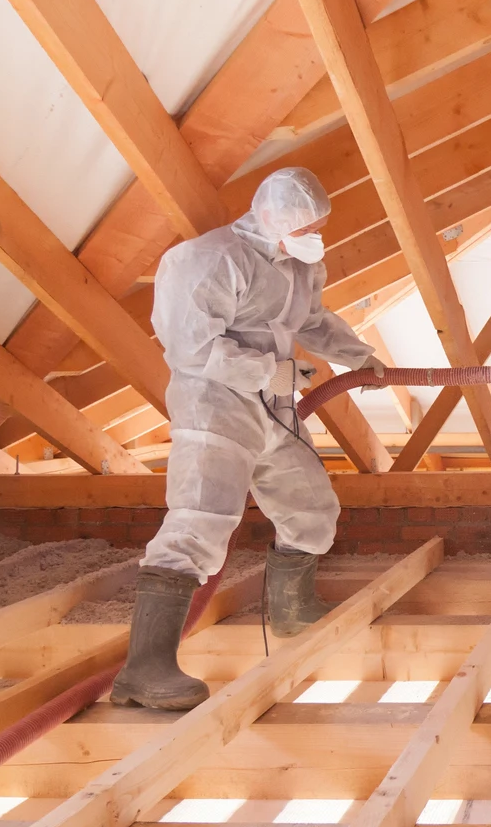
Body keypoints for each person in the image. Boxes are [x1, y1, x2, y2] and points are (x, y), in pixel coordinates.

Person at [112, 166, 384, 710]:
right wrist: (271, 375)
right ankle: (144, 670)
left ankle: (290, 610)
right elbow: (192, 348)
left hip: (274, 407)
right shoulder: (211, 260)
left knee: (311, 509)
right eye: (308, 227)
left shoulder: (299, 266)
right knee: (200, 522)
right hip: (215, 405)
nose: (316, 236)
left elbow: (312, 322)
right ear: (273, 219)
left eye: (320, 227)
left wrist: (360, 358)